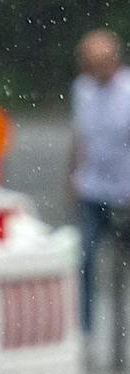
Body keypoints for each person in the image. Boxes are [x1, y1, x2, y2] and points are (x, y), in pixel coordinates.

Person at [72, 29, 130, 334]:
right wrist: (71, 177)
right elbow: (80, 136)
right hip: (92, 188)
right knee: (85, 256)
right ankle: (85, 327)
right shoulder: (82, 89)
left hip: (125, 190)